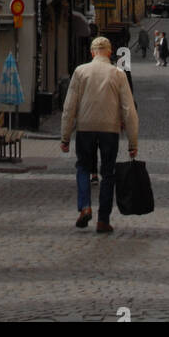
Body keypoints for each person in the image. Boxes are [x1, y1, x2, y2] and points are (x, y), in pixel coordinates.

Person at [60, 36, 139, 233]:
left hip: (85, 128)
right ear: (110, 53)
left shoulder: (80, 72)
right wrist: (133, 142)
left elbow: (69, 106)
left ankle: (85, 207)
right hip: (110, 130)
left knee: (83, 168)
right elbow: (129, 109)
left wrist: (65, 136)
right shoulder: (118, 74)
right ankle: (103, 219)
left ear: (92, 52)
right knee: (108, 173)